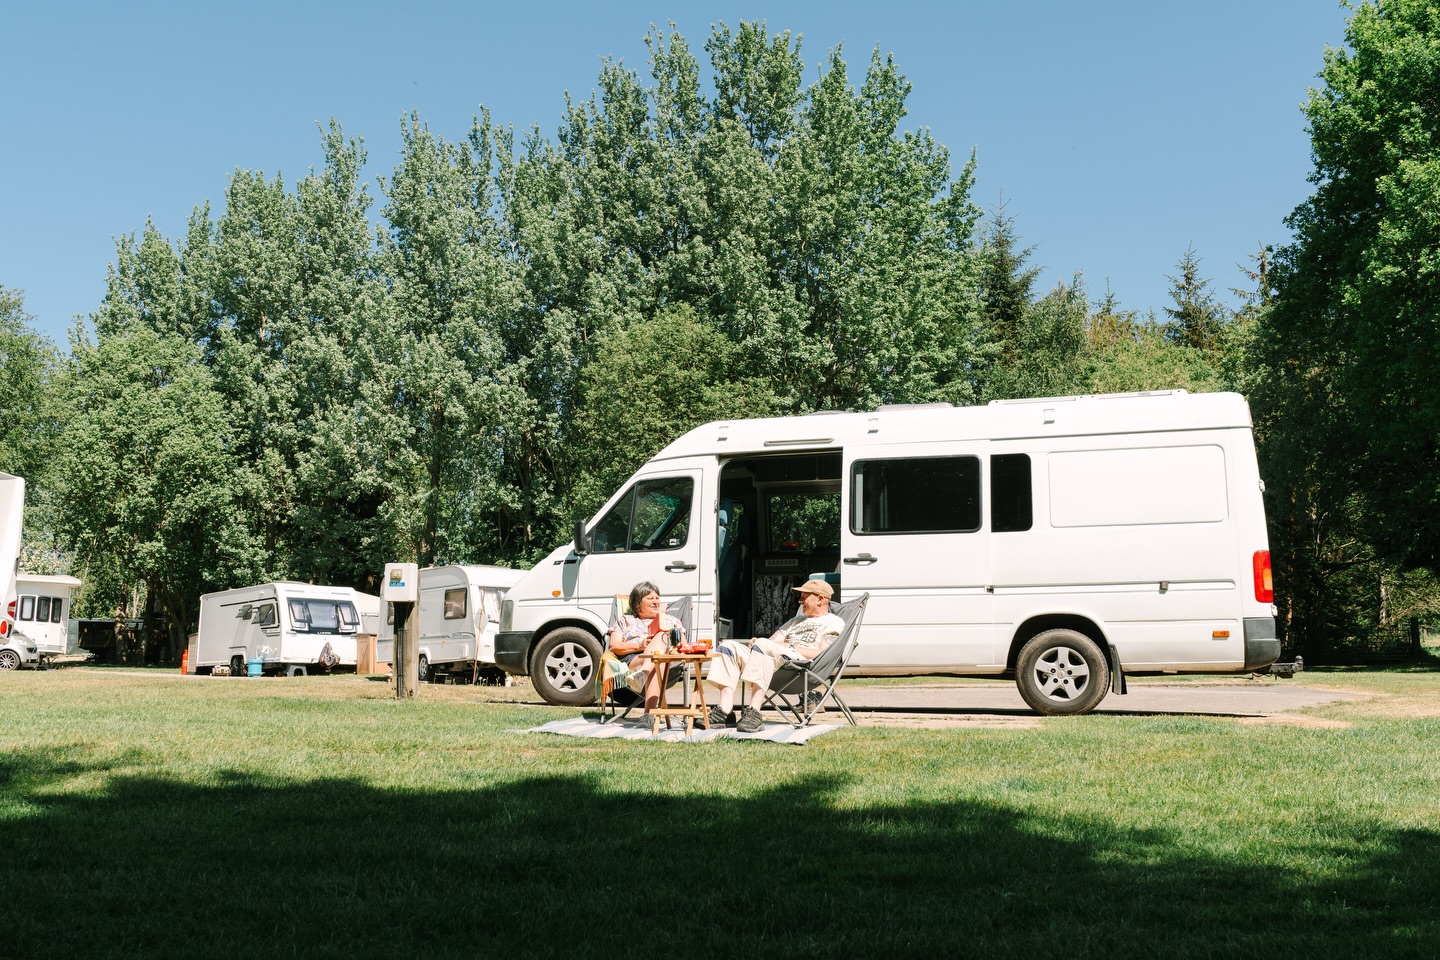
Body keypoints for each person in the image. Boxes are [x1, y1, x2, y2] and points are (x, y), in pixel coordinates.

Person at [707, 579, 842, 732]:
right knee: (727, 646)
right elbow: (772, 642)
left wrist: (784, 645)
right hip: (774, 659)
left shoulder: (834, 622)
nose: (800, 601)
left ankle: (754, 712)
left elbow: (821, 653)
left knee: (764, 645)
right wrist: (758, 642)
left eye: (804, 597)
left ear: (820, 599)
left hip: (799, 666)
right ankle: (725, 711)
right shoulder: (795, 621)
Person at [607, 581, 683, 712]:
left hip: (667, 660)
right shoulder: (626, 620)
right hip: (635, 659)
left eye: (657, 598)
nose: (655, 602)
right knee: (658, 659)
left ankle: (643, 674)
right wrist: (639, 645)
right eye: (650, 598)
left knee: (661, 640)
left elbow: (684, 646)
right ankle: (649, 714)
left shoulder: (671, 620)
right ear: (637, 603)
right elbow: (614, 646)